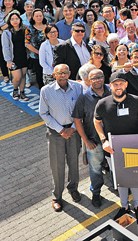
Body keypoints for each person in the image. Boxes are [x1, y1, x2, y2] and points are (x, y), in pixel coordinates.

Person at [94, 72, 138, 224]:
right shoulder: (103, 103)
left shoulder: (136, 101)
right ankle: (124, 207)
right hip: (113, 149)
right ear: (111, 86)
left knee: (134, 178)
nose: (118, 86)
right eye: (115, 84)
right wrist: (103, 140)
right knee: (121, 179)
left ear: (126, 84)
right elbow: (97, 121)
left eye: (121, 83)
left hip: (134, 147)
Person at [39, 64, 85, 212]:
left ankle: (73, 189)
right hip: (56, 133)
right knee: (57, 166)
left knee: (73, 162)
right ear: (54, 75)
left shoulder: (77, 87)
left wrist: (72, 127)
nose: (62, 75)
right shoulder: (46, 91)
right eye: (59, 73)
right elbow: (44, 113)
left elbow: (81, 108)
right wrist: (61, 130)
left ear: (70, 73)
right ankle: (57, 197)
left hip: (73, 130)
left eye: (65, 72)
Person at [72, 68, 110, 208]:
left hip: (113, 139)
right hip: (94, 140)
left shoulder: (112, 91)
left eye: (100, 76)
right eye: (94, 78)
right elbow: (77, 119)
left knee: (116, 165)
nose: (97, 80)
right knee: (95, 169)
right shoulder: (84, 97)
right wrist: (86, 141)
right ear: (88, 80)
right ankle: (96, 193)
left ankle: (122, 186)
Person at [2, 11, 30, 102]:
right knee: (17, 77)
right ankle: (15, 90)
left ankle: (22, 92)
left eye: (16, 19)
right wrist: (8, 61)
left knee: (23, 75)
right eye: (12, 19)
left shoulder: (25, 29)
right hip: (13, 57)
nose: (15, 21)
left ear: (20, 20)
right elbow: (5, 47)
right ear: (9, 21)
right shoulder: (6, 33)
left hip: (24, 55)